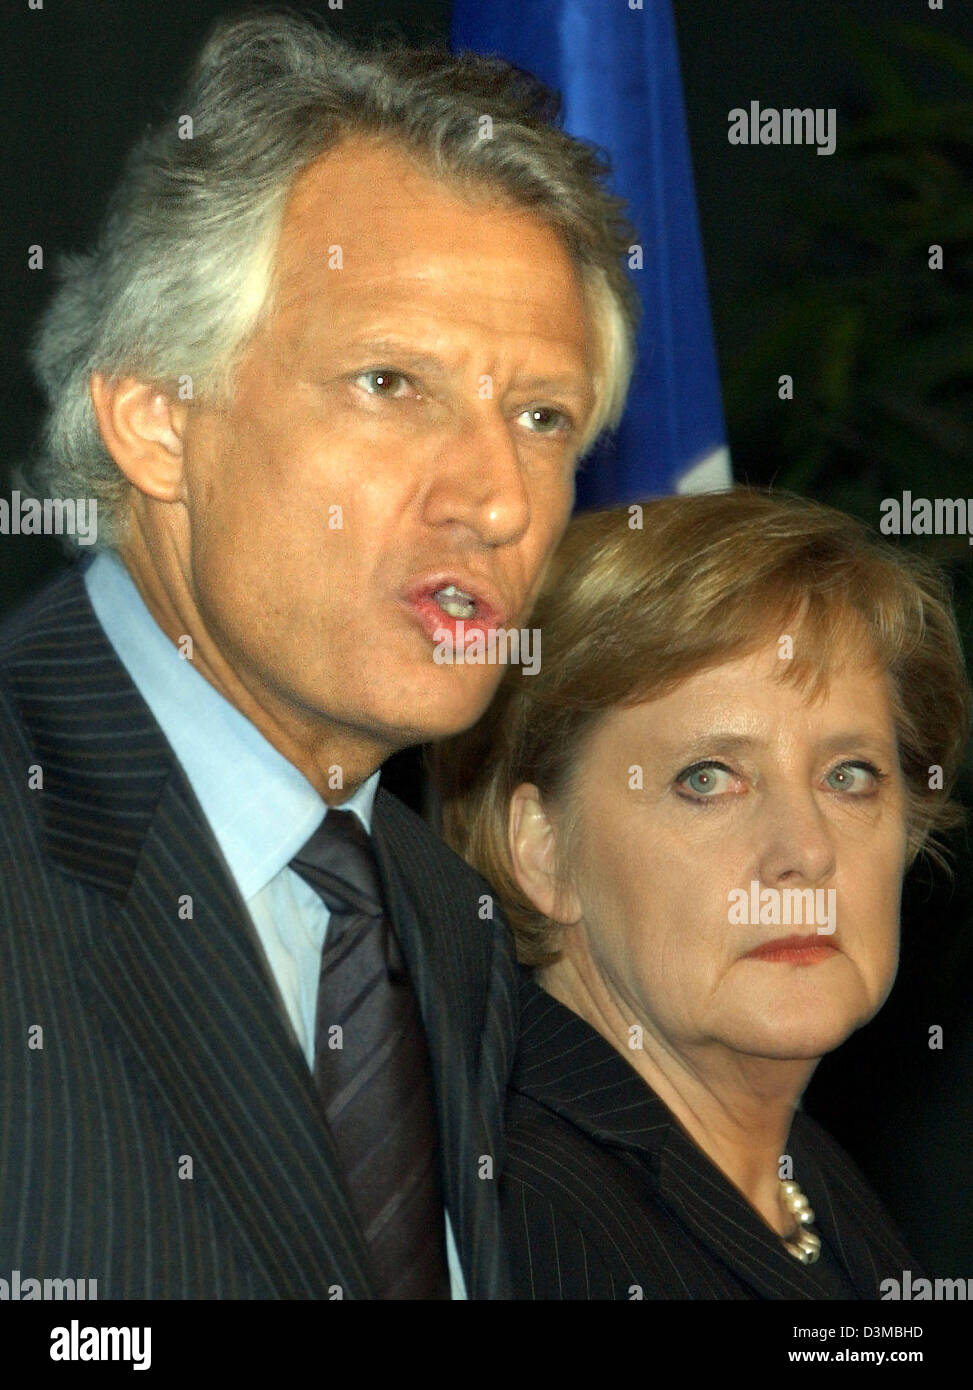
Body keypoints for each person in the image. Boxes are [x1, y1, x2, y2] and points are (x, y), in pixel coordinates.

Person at [0, 14, 639, 1299]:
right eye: (392, 383)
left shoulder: (440, 922)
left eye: (540, 416)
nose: (499, 498)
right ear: (157, 423)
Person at [435, 489, 971, 1299]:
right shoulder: (530, 1222)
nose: (803, 853)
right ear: (542, 853)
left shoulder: (798, 1174)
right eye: (707, 779)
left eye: (848, 776)